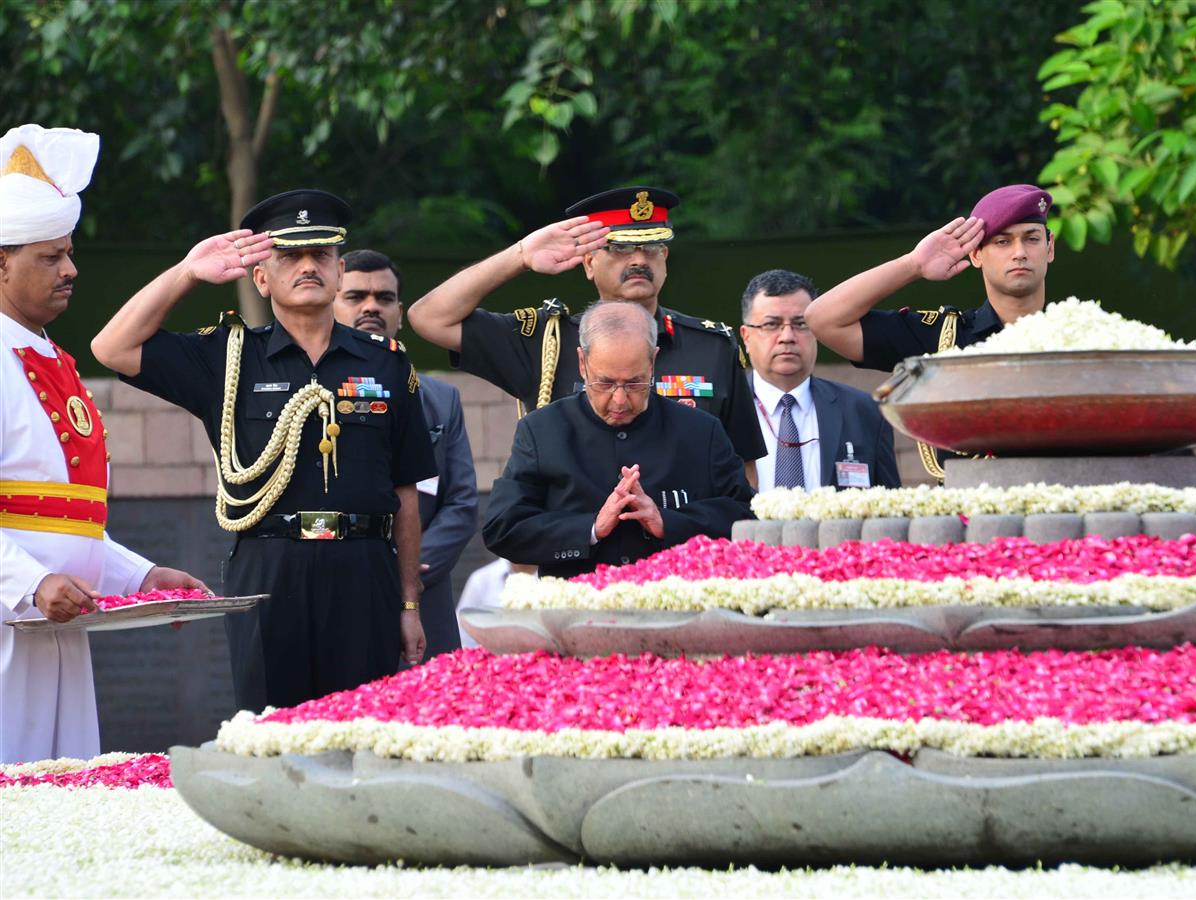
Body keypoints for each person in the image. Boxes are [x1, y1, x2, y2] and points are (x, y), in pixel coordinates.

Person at [91, 190, 436, 712]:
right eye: (290, 257)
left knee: (363, 732)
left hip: (364, 569)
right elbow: (111, 347)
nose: (307, 267)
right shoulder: (229, 357)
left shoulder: (387, 364)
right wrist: (187, 272)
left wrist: (409, 604)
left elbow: (405, 492)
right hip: (271, 564)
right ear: (260, 277)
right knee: (273, 732)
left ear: (339, 272)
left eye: (319, 256)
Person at [0, 124, 206, 763]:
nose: (71, 269)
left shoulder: (51, 357)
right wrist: (30, 585)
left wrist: (142, 575)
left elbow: (63, 520)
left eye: (69, 253)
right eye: (50, 256)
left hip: (58, 630)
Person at [406, 186, 767, 485]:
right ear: (589, 262)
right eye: (621, 248)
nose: (639, 259)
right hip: (578, 548)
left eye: (651, 247)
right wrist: (519, 256)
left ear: (666, 257)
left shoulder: (712, 346)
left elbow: (742, 469)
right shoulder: (548, 341)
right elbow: (429, 318)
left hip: (685, 550)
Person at [482, 302, 753, 578]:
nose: (620, 399)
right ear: (582, 364)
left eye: (635, 383)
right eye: (605, 383)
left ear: (653, 362)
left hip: (675, 610)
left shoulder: (700, 431)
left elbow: (744, 516)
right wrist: (590, 529)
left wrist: (666, 522)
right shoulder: (542, 430)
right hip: (576, 611)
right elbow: (503, 529)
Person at [804, 183, 1055, 479]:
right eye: (1002, 242)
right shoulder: (943, 338)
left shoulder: (1085, 337)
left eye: (1032, 239)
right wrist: (914, 265)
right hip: (970, 518)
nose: (1019, 253)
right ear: (976, 255)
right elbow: (822, 319)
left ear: (1049, 248)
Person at [337, 248, 477, 657]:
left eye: (383, 298)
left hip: (424, 595)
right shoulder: (310, 393)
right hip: (340, 586)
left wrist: (410, 571)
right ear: (330, 304)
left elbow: (462, 503)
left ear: (400, 311)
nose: (371, 307)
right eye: (355, 296)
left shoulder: (439, 399)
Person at [739, 269, 899, 491]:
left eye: (801, 324)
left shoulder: (864, 413)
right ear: (746, 336)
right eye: (771, 324)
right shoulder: (721, 414)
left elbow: (890, 510)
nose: (787, 337)